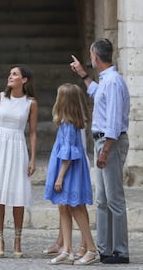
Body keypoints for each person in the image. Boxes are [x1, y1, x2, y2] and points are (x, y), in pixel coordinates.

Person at [69, 38, 130, 264]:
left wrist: (105, 151)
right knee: (103, 199)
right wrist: (84, 75)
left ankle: (120, 251)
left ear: (95, 56)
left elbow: (113, 120)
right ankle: (105, 248)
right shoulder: (106, 80)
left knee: (114, 198)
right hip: (102, 142)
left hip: (108, 142)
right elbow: (97, 94)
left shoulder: (113, 81)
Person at [0, 65, 38, 259]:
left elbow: (32, 132)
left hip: (17, 147)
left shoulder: (30, 103)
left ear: (24, 80)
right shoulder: (0, 98)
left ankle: (17, 239)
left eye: (15, 74)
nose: (10, 76)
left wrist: (33, 159)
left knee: (17, 194)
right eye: (10, 73)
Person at [43, 83, 99, 265]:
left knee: (75, 207)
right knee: (64, 206)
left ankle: (91, 248)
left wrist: (59, 176)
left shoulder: (68, 124)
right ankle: (66, 249)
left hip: (69, 170)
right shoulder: (70, 123)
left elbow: (68, 154)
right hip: (70, 168)